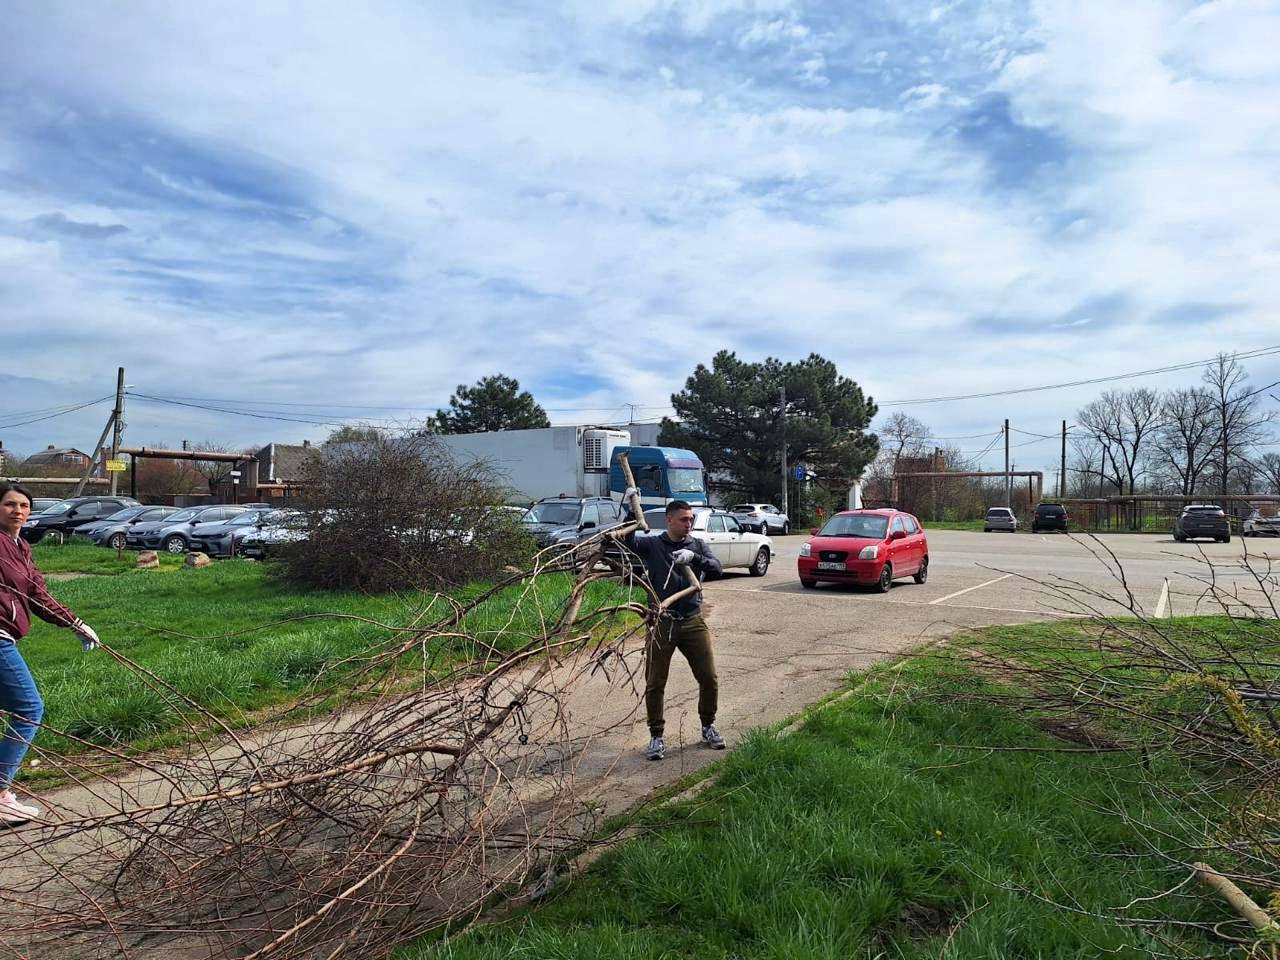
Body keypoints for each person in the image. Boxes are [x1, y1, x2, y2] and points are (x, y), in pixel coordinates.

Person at [0, 483, 100, 824]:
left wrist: (75, 623)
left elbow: (37, 593)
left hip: (6, 636)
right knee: (29, 708)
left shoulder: (20, 546)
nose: (17, 511)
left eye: (24, 505)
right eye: (9, 504)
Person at [619, 492, 724, 761]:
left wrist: (694, 558)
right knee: (655, 682)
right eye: (683, 520)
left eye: (690, 519)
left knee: (708, 677)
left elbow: (717, 568)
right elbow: (626, 540)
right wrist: (632, 510)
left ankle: (708, 726)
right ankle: (656, 736)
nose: (688, 524)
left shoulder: (697, 545)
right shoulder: (654, 545)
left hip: (691, 620)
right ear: (669, 520)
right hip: (661, 623)